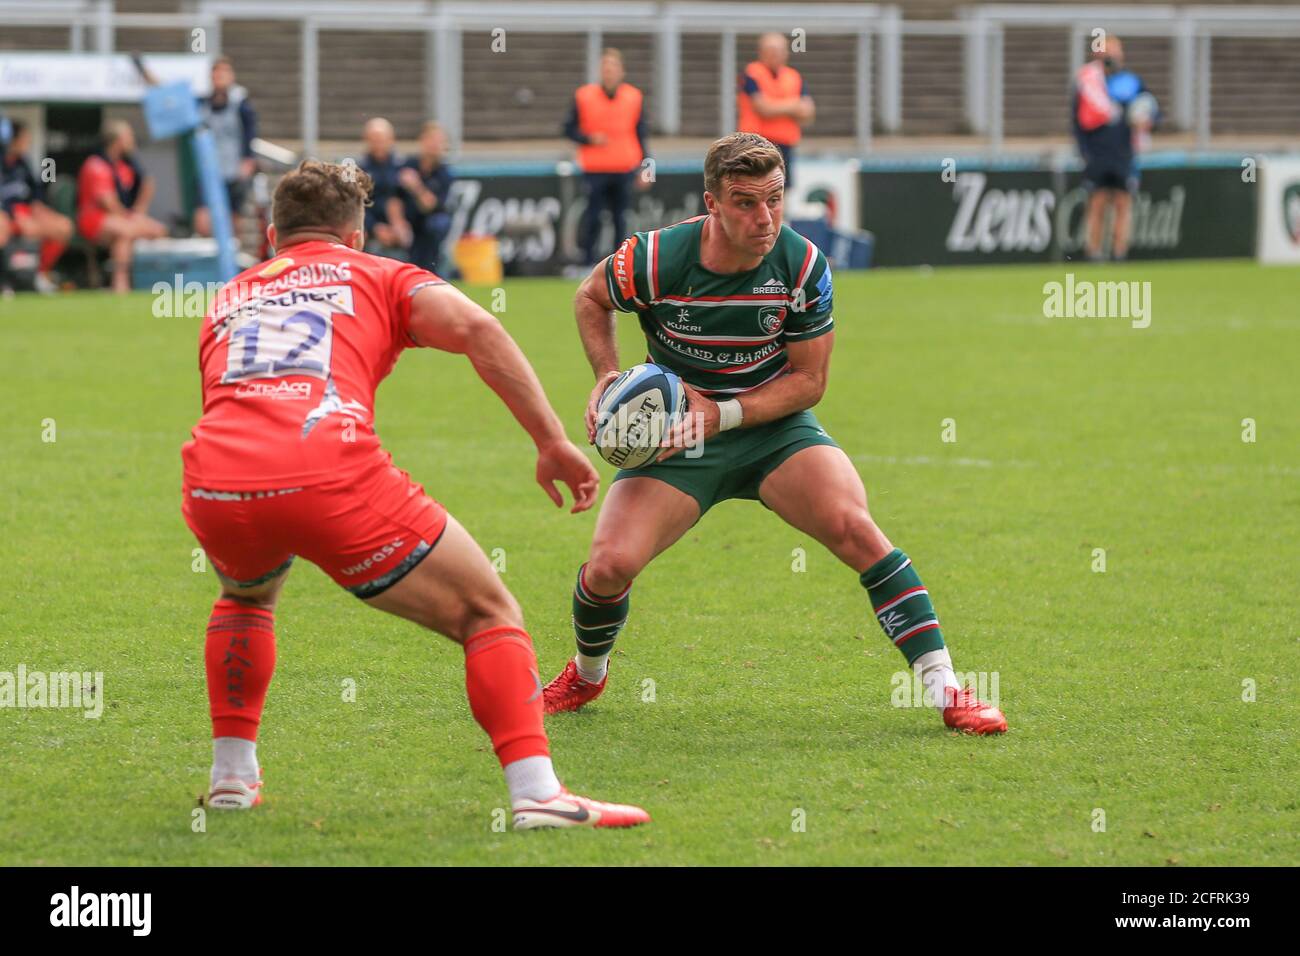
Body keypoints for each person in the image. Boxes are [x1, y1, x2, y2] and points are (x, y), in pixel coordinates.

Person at [180, 159, 648, 829]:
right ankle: (538, 793)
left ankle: (230, 781)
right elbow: (479, 331)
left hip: (217, 478)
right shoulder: (381, 275)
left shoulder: (230, 296)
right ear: (358, 236)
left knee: (246, 596)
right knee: (490, 613)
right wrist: (549, 442)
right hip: (326, 469)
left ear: (270, 233)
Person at [542, 133, 1007, 738]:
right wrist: (607, 377)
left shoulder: (803, 264)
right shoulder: (656, 258)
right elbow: (590, 296)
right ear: (711, 202)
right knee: (608, 565)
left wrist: (725, 412)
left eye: (775, 199)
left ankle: (948, 691)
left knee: (857, 530)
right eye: (744, 202)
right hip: (682, 437)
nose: (764, 218)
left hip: (772, 429)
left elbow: (809, 382)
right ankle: (587, 672)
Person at [564, 48, 648, 266]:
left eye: (613, 67)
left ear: (622, 71)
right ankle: (588, 262)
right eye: (605, 67)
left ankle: (620, 265)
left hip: (624, 166)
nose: (609, 72)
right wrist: (588, 139)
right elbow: (568, 128)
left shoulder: (634, 97)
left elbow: (642, 135)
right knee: (593, 217)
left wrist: (647, 168)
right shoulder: (584, 96)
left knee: (621, 219)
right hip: (595, 167)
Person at [1072, 35, 1149, 262]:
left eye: (1114, 51)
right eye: (1106, 52)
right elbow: (1076, 121)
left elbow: (1150, 110)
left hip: (1123, 153)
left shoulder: (1131, 82)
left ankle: (1119, 253)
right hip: (1096, 154)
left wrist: (1147, 121)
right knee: (1096, 202)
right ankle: (1093, 252)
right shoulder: (1087, 82)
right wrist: (1083, 150)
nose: (1110, 56)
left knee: (1122, 203)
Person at [76, 120, 166, 293]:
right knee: (126, 231)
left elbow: (148, 183)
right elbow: (108, 203)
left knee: (155, 230)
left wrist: (139, 211)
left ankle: (133, 283)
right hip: (93, 219)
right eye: (128, 137)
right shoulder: (96, 164)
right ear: (117, 141)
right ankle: (120, 283)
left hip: (119, 219)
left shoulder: (126, 164)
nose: (132, 141)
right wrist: (132, 218)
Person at [1, 120, 74, 293]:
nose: (28, 143)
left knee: (63, 226)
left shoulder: (22, 163)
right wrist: (12, 214)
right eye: (24, 139)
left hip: (25, 212)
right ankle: (4, 281)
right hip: (6, 212)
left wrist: (39, 209)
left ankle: (38, 274)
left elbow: (34, 195)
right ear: (12, 140)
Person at [736, 33, 814, 186]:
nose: (774, 55)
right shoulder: (751, 74)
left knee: (782, 188)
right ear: (761, 52)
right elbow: (763, 108)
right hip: (756, 144)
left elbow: (808, 112)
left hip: (784, 144)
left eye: (779, 50)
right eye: (770, 50)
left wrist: (777, 106)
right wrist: (793, 106)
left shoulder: (793, 76)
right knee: (755, 186)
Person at [196, 55, 259, 238]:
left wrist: (248, 159)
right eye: (216, 73)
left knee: (232, 220)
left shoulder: (240, 104)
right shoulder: (203, 103)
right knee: (203, 221)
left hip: (233, 169)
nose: (219, 77)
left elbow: (250, 132)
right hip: (209, 168)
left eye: (224, 73)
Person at [398, 121, 455, 275]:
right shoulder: (408, 164)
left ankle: (431, 271)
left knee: (435, 226)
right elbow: (395, 198)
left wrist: (416, 186)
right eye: (432, 140)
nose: (435, 145)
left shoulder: (444, 173)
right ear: (422, 140)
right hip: (408, 220)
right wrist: (398, 223)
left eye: (439, 142)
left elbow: (429, 205)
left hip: (430, 223)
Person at [358, 117, 410, 255]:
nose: (378, 143)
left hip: (400, 230)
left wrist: (400, 225)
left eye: (381, 138)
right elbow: (356, 203)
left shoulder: (405, 167)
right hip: (369, 229)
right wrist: (374, 227)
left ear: (391, 139)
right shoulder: (358, 169)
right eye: (373, 139)